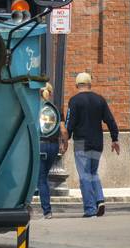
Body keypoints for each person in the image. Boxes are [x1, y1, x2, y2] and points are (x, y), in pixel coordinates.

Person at [64, 72, 120, 217]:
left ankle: (90, 208)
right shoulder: (100, 100)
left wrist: (65, 140)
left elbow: (70, 123)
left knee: (84, 175)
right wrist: (115, 139)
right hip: (97, 142)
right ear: (90, 84)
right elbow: (110, 120)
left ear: (77, 85)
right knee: (93, 173)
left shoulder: (74, 101)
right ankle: (99, 199)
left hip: (81, 142)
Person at [37, 84, 64, 218]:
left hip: (39, 145)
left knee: (41, 179)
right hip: (53, 146)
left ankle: (47, 210)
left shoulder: (35, 107)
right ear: (51, 94)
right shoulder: (56, 109)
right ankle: (46, 209)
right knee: (43, 177)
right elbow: (63, 130)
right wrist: (64, 143)